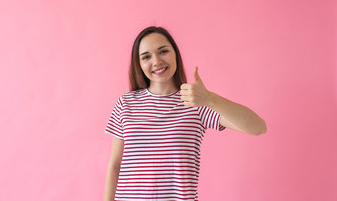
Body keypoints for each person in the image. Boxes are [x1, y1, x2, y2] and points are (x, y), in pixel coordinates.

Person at [103, 26, 267, 201]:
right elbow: (115, 165)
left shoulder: (196, 102)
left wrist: (211, 99)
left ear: (175, 54)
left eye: (163, 51)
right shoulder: (126, 103)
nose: (156, 61)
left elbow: (258, 127)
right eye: (146, 57)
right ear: (139, 64)